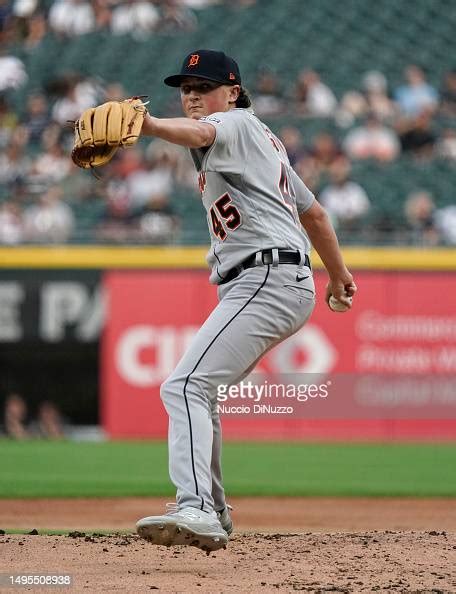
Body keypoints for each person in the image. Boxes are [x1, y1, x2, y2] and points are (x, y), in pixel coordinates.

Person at [135, 50, 356, 553]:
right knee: (200, 389)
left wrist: (146, 125)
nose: (191, 95)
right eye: (185, 87)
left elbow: (201, 133)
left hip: (266, 276)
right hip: (267, 279)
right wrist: (340, 277)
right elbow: (315, 215)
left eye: (203, 85)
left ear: (232, 92)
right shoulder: (266, 143)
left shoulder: (232, 122)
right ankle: (212, 510)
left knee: (183, 385)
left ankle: (196, 508)